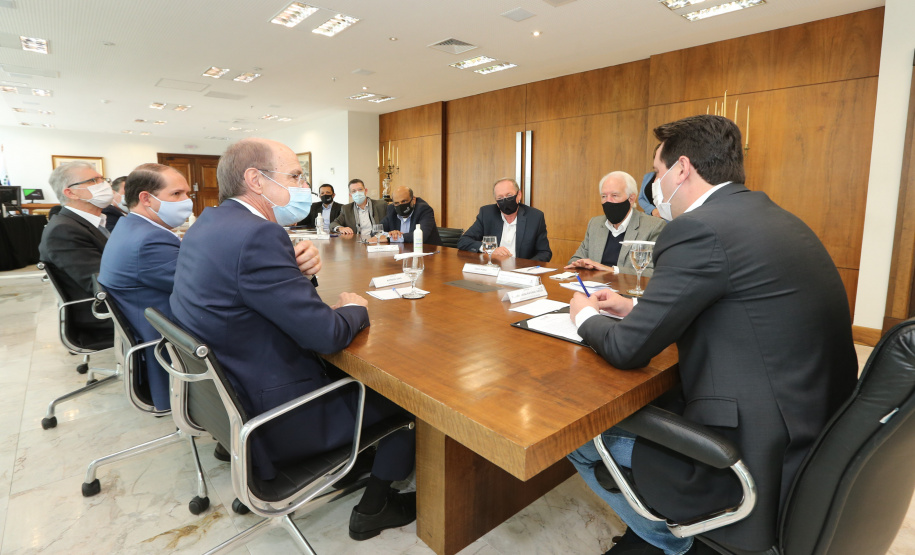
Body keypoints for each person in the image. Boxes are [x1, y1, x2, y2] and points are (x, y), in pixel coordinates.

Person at [567, 115, 857, 555]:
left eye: (657, 173)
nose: (655, 187)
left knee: (580, 439)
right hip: (814, 430)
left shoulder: (698, 228)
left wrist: (584, 315)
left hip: (746, 453)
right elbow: (733, 300)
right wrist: (634, 307)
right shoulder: (774, 217)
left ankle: (677, 543)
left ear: (682, 169)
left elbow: (628, 351)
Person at [170, 138, 416, 540]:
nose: (306, 185)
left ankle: (350, 465)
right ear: (256, 180)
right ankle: (377, 505)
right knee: (406, 399)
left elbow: (242, 292)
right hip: (278, 415)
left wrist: (298, 274)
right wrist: (355, 307)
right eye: (296, 176)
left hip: (236, 391)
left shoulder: (210, 223)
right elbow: (326, 335)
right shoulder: (258, 236)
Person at [98, 164, 193, 410]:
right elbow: (201, 286)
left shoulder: (131, 227)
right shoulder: (150, 240)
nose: (187, 201)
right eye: (176, 194)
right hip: (168, 342)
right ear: (145, 198)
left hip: (150, 326)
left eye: (186, 194)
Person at [38, 162, 113, 340]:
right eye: (94, 180)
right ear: (70, 192)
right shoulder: (64, 230)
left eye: (103, 179)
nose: (104, 185)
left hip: (109, 305)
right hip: (101, 315)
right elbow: (102, 284)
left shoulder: (88, 223)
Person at [565, 171, 665, 277]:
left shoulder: (653, 226)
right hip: (594, 289)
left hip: (626, 292)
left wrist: (611, 270)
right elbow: (575, 259)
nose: (608, 201)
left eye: (614, 195)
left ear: (631, 199)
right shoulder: (595, 224)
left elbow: (653, 272)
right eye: (604, 196)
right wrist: (582, 264)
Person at [456, 178, 551, 262]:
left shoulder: (535, 217)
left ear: (519, 195)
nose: (505, 201)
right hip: (493, 269)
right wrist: (490, 249)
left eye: (509, 196)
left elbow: (544, 252)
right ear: (496, 202)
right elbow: (463, 241)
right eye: (500, 198)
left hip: (521, 272)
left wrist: (525, 267)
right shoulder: (487, 213)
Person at [371, 185, 442, 246]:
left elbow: (422, 236)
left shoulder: (424, 209)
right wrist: (390, 234)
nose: (400, 205)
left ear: (413, 200)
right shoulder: (392, 210)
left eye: (404, 201)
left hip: (428, 253)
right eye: (396, 203)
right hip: (403, 253)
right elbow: (375, 231)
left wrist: (391, 238)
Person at [637, 145, 662, 217]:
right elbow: (641, 198)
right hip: (649, 218)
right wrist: (652, 210)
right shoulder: (648, 176)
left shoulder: (673, 178)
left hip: (667, 222)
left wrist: (661, 213)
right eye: (656, 156)